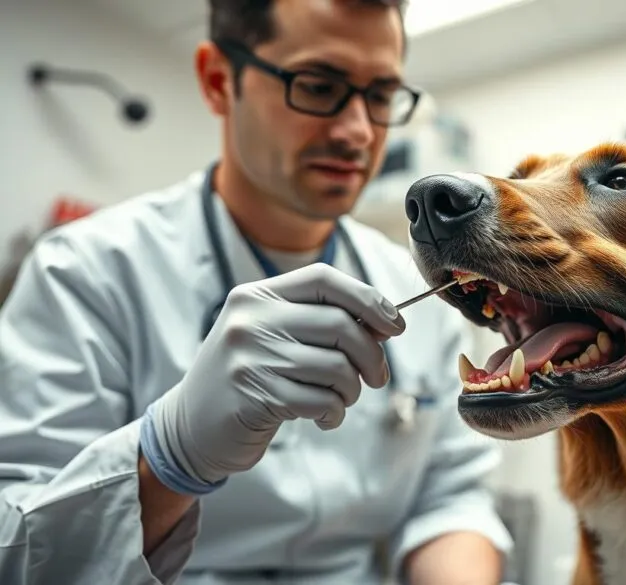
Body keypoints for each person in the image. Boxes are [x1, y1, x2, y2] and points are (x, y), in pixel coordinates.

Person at [0, 1, 514, 583]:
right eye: (318, 86)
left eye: (380, 95)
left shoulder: (416, 286)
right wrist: (170, 457)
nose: (358, 132)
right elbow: (18, 553)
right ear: (219, 81)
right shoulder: (83, 274)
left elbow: (449, 497)